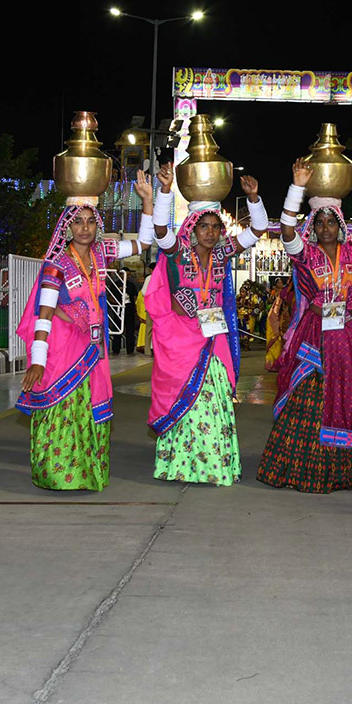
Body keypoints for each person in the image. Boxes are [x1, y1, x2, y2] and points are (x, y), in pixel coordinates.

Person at [256, 151, 352, 493]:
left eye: (331, 222)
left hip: (351, 340)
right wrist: (297, 189)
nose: (325, 228)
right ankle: (301, 469)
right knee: (309, 398)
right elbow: (287, 229)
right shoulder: (304, 253)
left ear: (340, 224)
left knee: (347, 399)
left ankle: (340, 472)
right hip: (314, 338)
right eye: (320, 222)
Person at [17, 173, 153, 491]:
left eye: (91, 221)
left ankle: (85, 474)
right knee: (61, 411)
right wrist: (38, 359)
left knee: (89, 411)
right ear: (67, 226)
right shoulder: (56, 266)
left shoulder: (103, 254)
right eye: (78, 222)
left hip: (92, 349)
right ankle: (57, 475)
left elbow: (144, 242)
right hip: (63, 350)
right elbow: (44, 314)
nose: (85, 228)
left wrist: (147, 200)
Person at [147, 164, 269, 485]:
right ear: (193, 228)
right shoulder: (179, 254)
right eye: (205, 227)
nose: (212, 232)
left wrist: (254, 199)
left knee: (213, 406)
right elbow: (160, 230)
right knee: (183, 406)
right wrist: (164, 191)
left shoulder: (223, 255)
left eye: (216, 227)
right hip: (181, 342)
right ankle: (179, 466)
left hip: (212, 345)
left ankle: (213, 467)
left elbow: (257, 231)